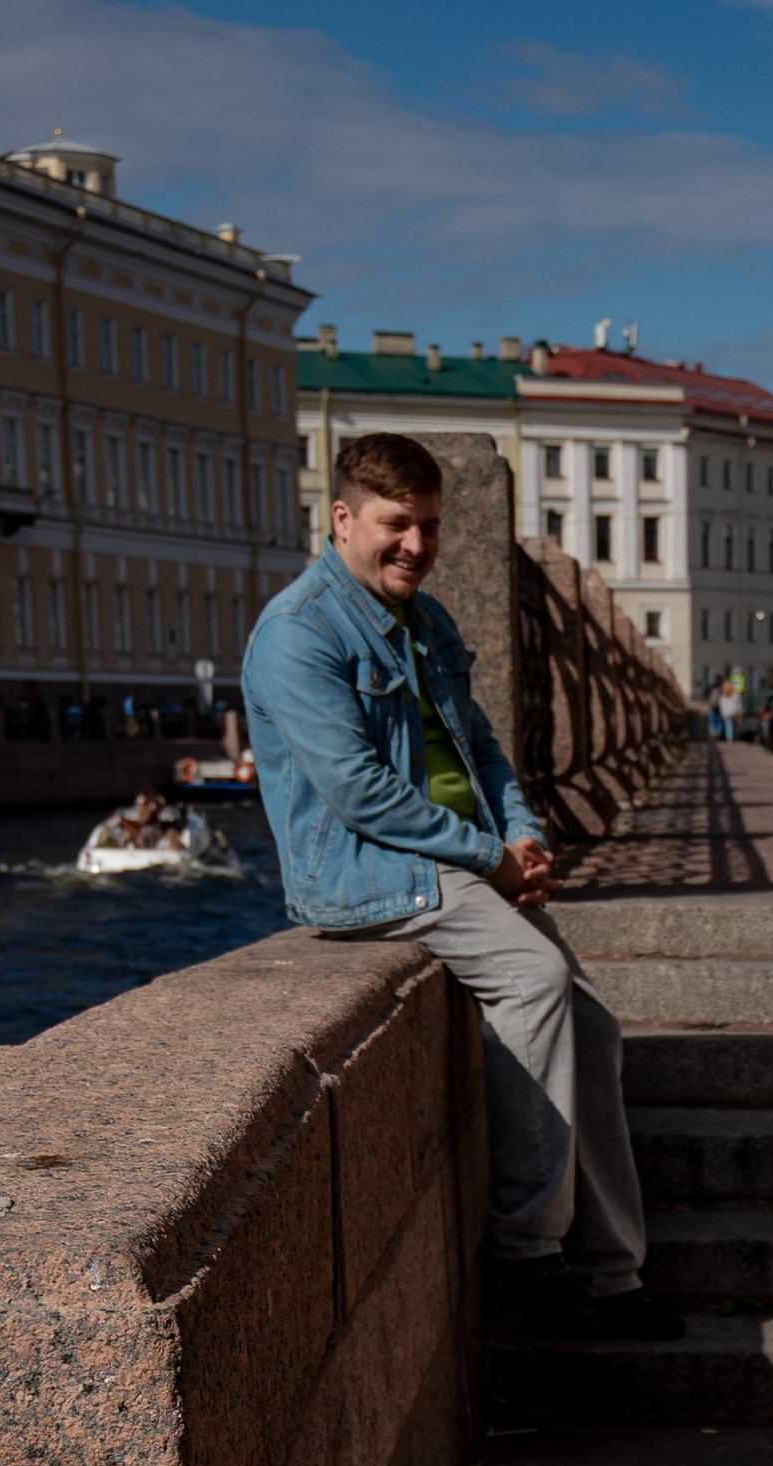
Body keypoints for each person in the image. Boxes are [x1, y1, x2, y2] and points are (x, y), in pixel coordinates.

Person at [240, 429, 675, 1337]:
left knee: (591, 1026)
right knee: (536, 981)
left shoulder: (424, 620)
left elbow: (480, 747)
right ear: (343, 519)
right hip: (374, 873)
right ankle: (526, 1254)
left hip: (461, 859)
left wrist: (519, 831)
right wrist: (488, 857)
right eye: (398, 525)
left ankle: (613, 1274)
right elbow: (357, 791)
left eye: (431, 527)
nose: (416, 546)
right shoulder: (297, 633)